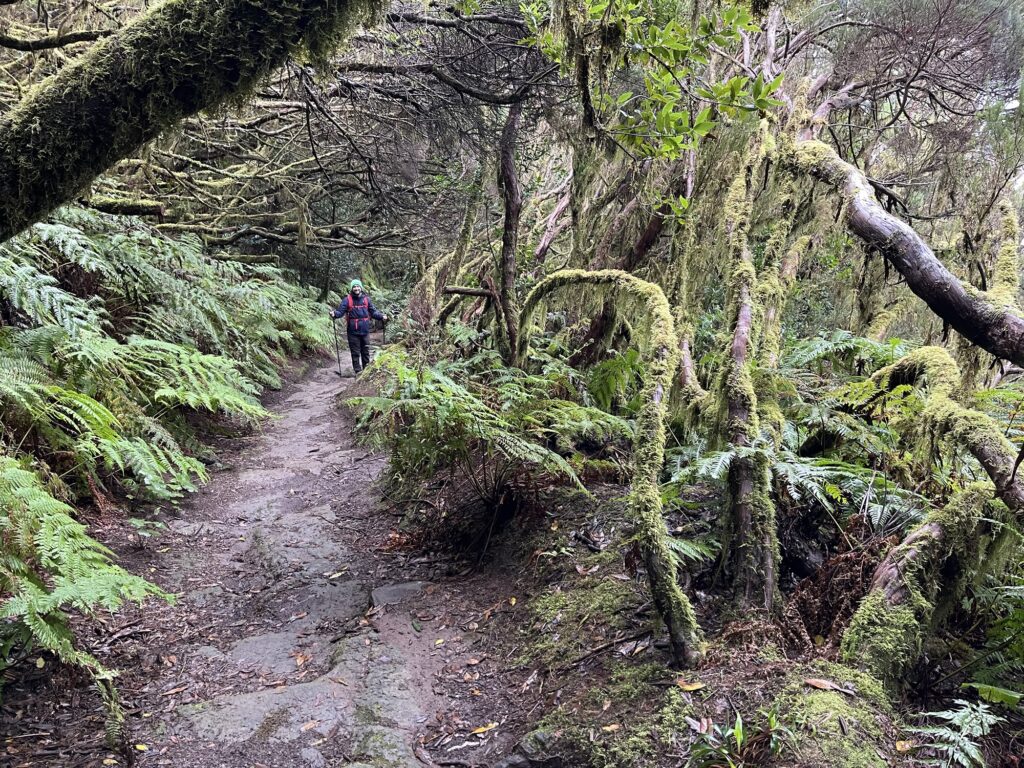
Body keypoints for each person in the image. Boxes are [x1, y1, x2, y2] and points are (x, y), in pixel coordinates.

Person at [330, 279, 387, 374]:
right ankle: (357, 372)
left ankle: (366, 371)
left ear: (361, 288)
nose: (356, 288)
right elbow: (340, 312)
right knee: (355, 352)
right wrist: (334, 314)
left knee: (365, 352)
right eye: (354, 287)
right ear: (352, 288)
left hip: (365, 331)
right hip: (352, 332)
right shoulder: (347, 300)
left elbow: (373, 312)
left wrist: (382, 316)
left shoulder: (366, 299)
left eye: (358, 286)